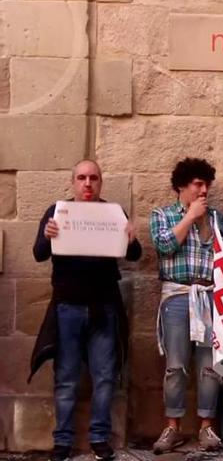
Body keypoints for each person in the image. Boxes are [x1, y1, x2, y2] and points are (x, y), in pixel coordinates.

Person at [31, 159, 142, 461]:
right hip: (67, 307)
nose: (88, 183)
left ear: (100, 182)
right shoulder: (57, 212)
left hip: (103, 307)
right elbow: (39, 254)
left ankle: (99, 439)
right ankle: (63, 441)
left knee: (104, 377)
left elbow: (133, 254)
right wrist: (47, 235)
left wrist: (131, 236)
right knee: (66, 377)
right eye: (82, 178)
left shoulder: (113, 213)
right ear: (73, 182)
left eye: (93, 178)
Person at [150, 158, 223, 454]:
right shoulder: (162, 215)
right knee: (175, 366)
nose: (204, 190)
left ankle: (206, 427)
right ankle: (173, 427)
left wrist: (220, 272)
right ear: (181, 186)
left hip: (210, 297)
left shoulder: (217, 219)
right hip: (177, 297)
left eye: (207, 185)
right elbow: (164, 246)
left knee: (209, 366)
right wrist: (190, 217)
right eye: (198, 184)